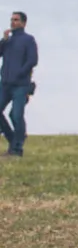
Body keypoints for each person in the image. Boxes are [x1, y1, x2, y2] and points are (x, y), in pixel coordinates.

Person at [0, 11, 38, 157]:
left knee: (16, 115)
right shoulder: (8, 41)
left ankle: (17, 149)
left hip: (21, 85)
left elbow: (32, 60)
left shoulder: (28, 40)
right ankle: (13, 140)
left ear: (23, 23)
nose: (12, 22)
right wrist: (3, 40)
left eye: (16, 20)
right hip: (5, 84)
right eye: (11, 19)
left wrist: (20, 73)